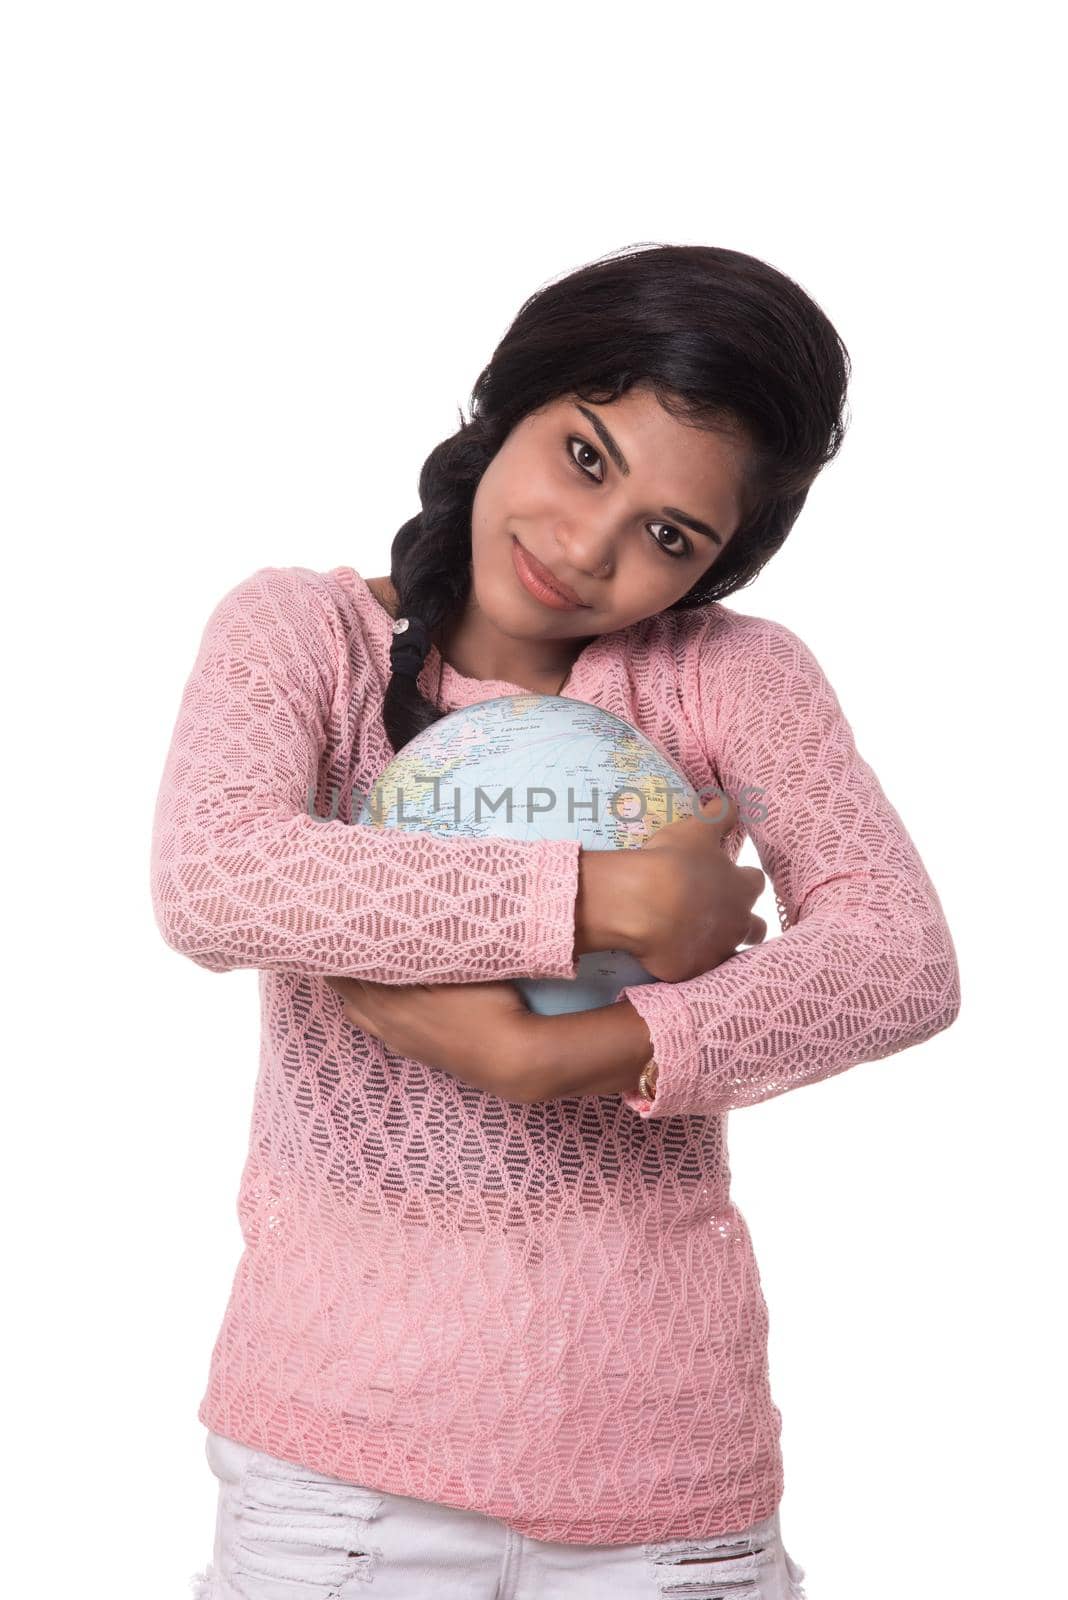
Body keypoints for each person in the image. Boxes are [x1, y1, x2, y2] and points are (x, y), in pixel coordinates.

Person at [151, 242, 961, 1599]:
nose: (588, 550)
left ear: (714, 570)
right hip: (339, 1469)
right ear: (500, 409)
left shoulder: (729, 680)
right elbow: (217, 877)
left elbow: (901, 957)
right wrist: (601, 894)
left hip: (664, 1479)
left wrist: (574, 1053)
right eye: (586, 456)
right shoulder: (306, 639)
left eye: (669, 536)